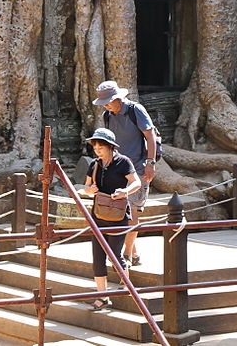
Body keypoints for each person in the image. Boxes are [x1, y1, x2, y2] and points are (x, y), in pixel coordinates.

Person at [92, 80, 157, 267]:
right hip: (118, 167)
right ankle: (134, 253)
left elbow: (150, 136)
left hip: (137, 167)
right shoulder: (108, 116)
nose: (106, 105)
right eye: (103, 102)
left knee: (132, 211)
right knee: (121, 210)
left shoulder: (135, 110)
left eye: (109, 101)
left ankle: (127, 255)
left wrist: (150, 163)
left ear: (119, 98)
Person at [81, 127, 140, 311]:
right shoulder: (94, 164)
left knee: (115, 253)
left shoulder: (123, 162)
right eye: (95, 146)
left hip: (118, 215)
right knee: (98, 256)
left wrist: (125, 192)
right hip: (98, 215)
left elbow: (136, 182)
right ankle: (102, 295)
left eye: (101, 146)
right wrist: (90, 190)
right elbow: (86, 187)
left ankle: (125, 282)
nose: (97, 149)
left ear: (110, 147)